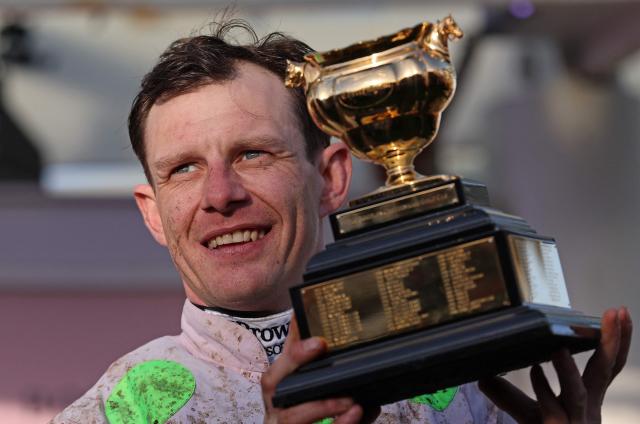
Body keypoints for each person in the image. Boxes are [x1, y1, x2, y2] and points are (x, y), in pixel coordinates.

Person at [50, 20, 631, 424]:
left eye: (253, 154)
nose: (220, 195)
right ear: (153, 213)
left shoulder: (465, 384)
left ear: (330, 177)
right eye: (182, 169)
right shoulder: (116, 408)